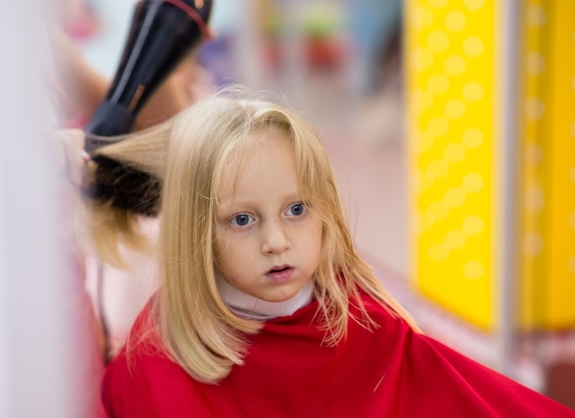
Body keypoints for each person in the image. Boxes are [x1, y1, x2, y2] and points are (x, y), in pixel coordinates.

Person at [79, 88, 574, 417]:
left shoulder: (366, 326)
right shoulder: (159, 355)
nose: (277, 241)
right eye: (243, 220)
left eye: (296, 210)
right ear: (196, 233)